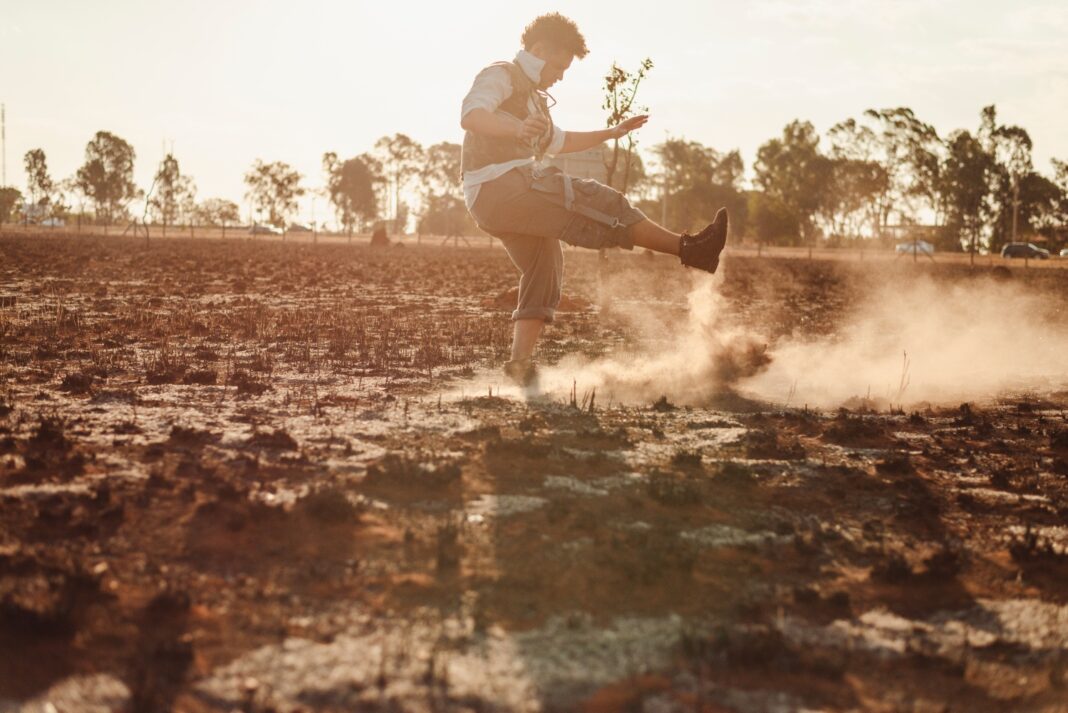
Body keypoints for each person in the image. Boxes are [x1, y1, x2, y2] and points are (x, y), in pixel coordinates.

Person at [461, 13, 728, 386]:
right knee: (598, 203)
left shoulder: (536, 102)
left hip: (495, 200)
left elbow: (561, 141)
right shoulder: (501, 75)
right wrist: (516, 128)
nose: (561, 76)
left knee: (545, 265)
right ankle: (691, 250)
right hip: (501, 186)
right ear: (538, 51)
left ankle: (519, 365)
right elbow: (472, 116)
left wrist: (611, 132)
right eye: (559, 65)